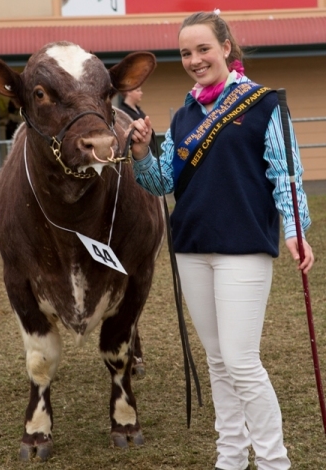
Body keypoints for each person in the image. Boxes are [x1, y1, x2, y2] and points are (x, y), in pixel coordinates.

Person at [127, 10, 314, 470]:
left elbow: (285, 173)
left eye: (203, 48)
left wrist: (295, 229)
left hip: (244, 247)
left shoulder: (265, 104)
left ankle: (274, 462)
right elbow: (160, 183)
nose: (194, 59)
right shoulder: (183, 114)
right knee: (217, 361)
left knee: (241, 361)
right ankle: (230, 457)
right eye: (186, 52)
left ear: (226, 47)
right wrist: (140, 153)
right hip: (192, 248)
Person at [118, 87, 157, 154]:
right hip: (135, 154)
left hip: (149, 152)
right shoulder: (122, 113)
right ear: (128, 92)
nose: (141, 93)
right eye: (138, 90)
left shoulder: (138, 111)